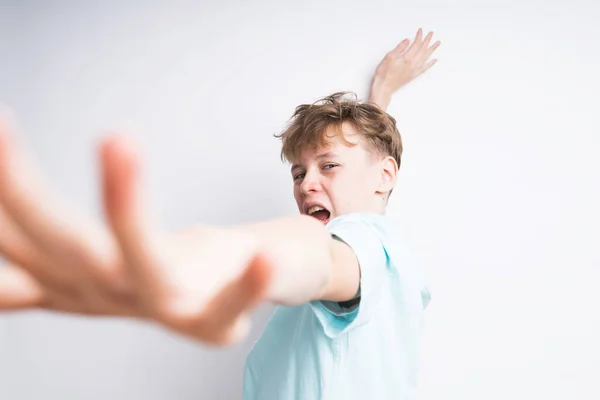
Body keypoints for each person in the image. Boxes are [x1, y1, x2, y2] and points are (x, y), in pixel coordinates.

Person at [0, 28, 440, 399]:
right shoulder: (393, 265)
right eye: (298, 171)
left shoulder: (365, 243)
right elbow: (367, 172)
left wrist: (192, 258)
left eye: (327, 166)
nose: (306, 184)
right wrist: (379, 98)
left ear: (387, 174)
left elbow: (314, 255)